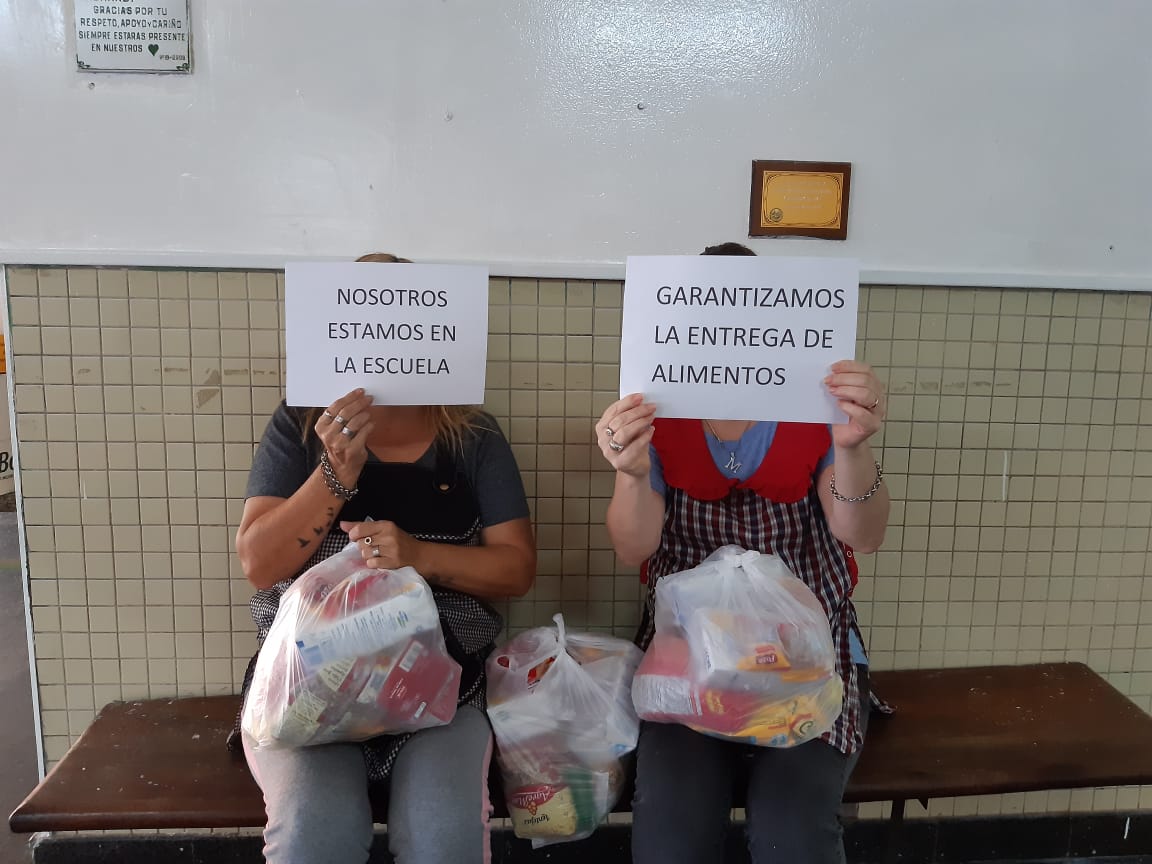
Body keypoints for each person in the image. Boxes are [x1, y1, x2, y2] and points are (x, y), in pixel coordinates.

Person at [232, 253, 536, 864]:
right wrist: (334, 475)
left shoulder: (471, 436)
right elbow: (259, 564)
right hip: (307, 686)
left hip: (442, 687)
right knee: (312, 833)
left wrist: (419, 556)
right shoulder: (299, 425)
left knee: (442, 836)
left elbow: (516, 569)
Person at [595, 242, 889, 864]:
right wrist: (630, 472)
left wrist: (853, 446)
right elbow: (632, 547)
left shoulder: (813, 404)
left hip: (807, 657)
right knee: (671, 830)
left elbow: (862, 534)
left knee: (792, 831)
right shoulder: (656, 410)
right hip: (687, 660)